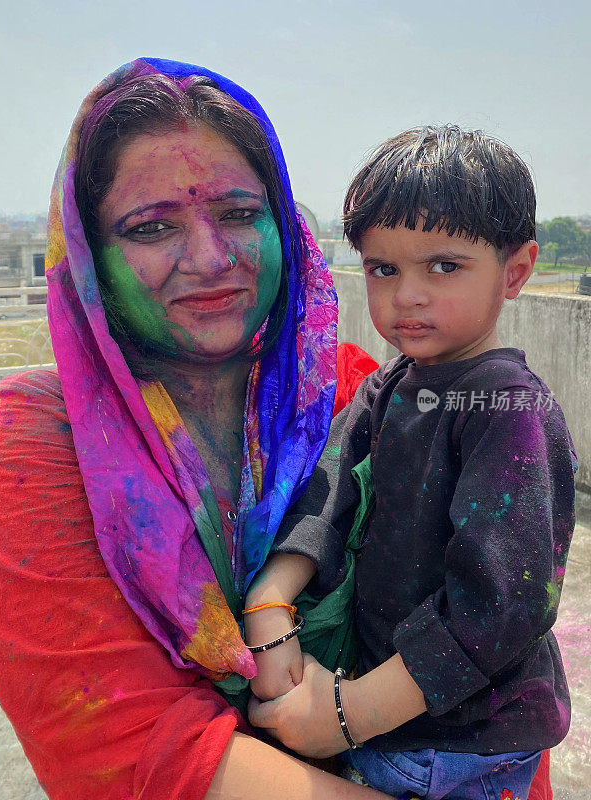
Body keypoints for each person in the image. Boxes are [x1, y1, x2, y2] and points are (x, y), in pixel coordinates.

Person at [0, 58, 392, 800]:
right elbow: (130, 748)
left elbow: (482, 637)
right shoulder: (34, 444)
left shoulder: (351, 395)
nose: (211, 259)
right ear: (90, 260)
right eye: (151, 227)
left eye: (241, 213)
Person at [246, 127, 577, 800]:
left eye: (444, 266)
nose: (408, 296)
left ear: (515, 272)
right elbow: (328, 492)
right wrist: (269, 599)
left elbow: (496, 606)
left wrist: (341, 719)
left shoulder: (503, 410)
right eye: (383, 268)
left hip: (462, 742)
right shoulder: (391, 385)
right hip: (399, 715)